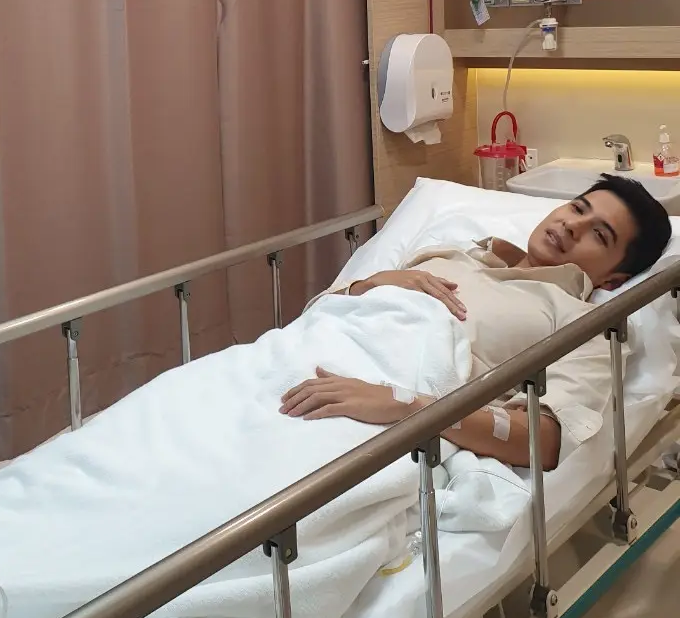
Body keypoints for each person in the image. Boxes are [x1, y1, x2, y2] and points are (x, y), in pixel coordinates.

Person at [281, 175, 671, 471]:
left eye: (599, 235)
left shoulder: (584, 324)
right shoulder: (448, 255)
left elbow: (544, 439)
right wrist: (370, 283)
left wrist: (404, 405)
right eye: (577, 209)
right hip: (290, 362)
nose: (572, 225)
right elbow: (319, 316)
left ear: (613, 280)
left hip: (367, 419)